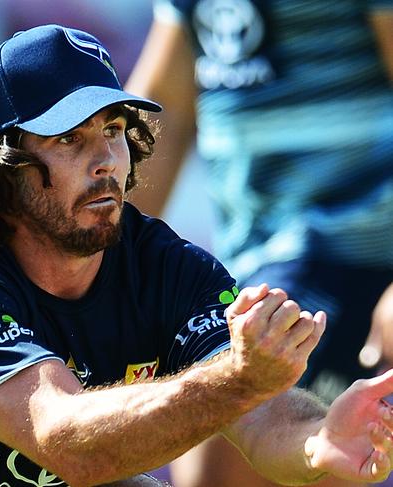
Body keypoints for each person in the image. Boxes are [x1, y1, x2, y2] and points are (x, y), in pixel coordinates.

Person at [0, 24, 393, 487]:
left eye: (116, 132)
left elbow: (262, 418)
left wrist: (318, 437)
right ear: (1, 165)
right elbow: (68, 442)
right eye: (70, 139)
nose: (106, 162)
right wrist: (235, 377)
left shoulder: (166, 268)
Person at [125, 1, 393, 486]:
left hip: (356, 258)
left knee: (225, 454)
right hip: (254, 265)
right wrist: (102, 257)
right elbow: (165, 109)